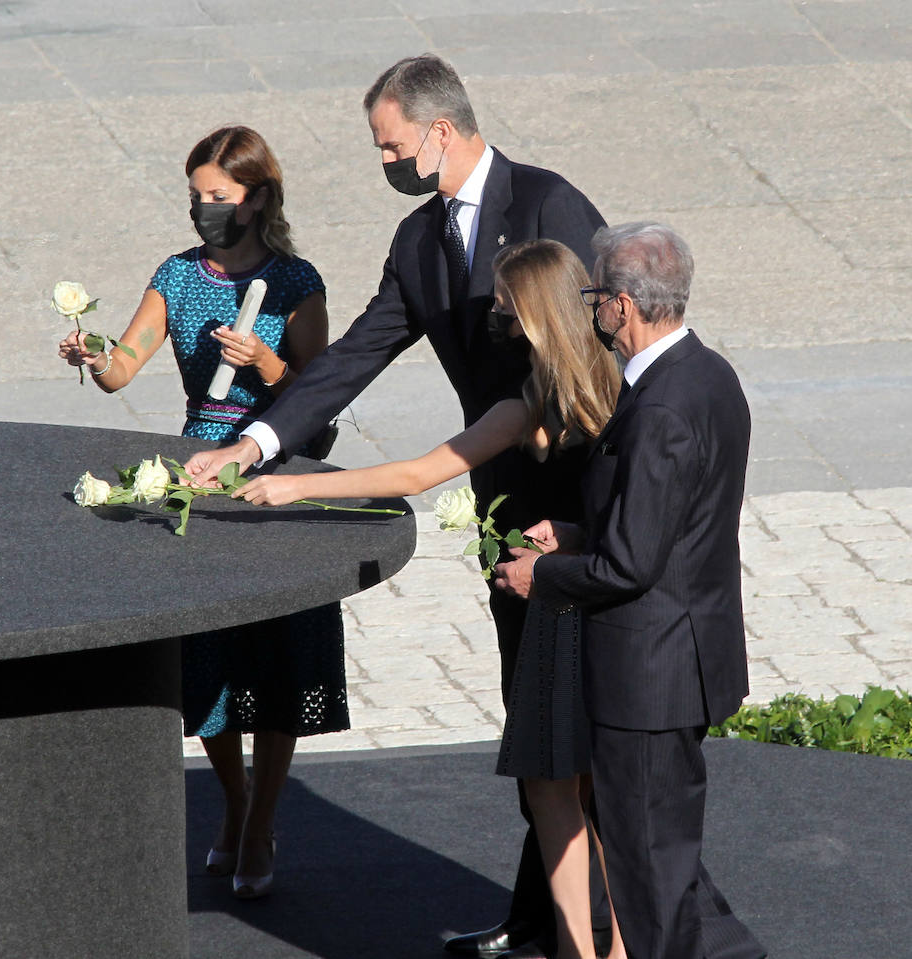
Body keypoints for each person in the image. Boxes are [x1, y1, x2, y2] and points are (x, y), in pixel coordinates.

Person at [184, 55, 607, 955]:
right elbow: (352, 357)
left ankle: (602, 928)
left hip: (582, 509)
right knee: (531, 722)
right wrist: (256, 442)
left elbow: (598, 350)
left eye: (391, 146)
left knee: (586, 736)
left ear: (440, 133)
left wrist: (596, 504)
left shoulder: (548, 205)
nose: (386, 163)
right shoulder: (419, 243)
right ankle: (543, 922)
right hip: (502, 507)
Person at [234, 239, 626, 959]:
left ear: (537, 319)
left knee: (557, 789)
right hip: (594, 614)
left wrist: (295, 484)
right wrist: (296, 482)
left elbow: (417, 473)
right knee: (593, 793)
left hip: (565, 615)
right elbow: (419, 474)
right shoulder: (611, 395)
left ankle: (585, 947)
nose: (500, 328)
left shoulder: (534, 405)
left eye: (508, 314)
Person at [56, 125, 346, 901]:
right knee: (207, 646)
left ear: (255, 199)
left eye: (218, 197)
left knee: (281, 646)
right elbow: (124, 368)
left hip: (278, 466)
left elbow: (319, 398)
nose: (203, 210)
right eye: (195, 196)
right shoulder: (179, 276)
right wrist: (93, 353)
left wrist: (270, 364)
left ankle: (263, 817)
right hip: (198, 467)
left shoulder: (296, 283)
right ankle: (235, 796)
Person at [494, 222, 767, 959]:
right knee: (663, 870)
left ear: (619, 305)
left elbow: (629, 569)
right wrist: (580, 530)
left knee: (648, 885)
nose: (590, 313)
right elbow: (673, 525)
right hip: (681, 660)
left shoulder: (658, 409)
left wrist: (539, 574)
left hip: (648, 677)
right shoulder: (709, 375)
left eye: (594, 299)